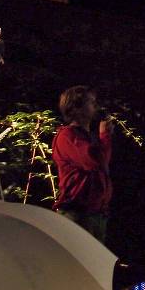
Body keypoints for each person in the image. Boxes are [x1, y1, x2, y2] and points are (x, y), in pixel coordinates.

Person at [52, 85, 113, 243]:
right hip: (77, 214)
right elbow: (96, 162)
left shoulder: (89, 137)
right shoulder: (68, 136)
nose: (95, 106)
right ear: (76, 108)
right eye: (90, 102)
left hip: (96, 213)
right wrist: (105, 135)